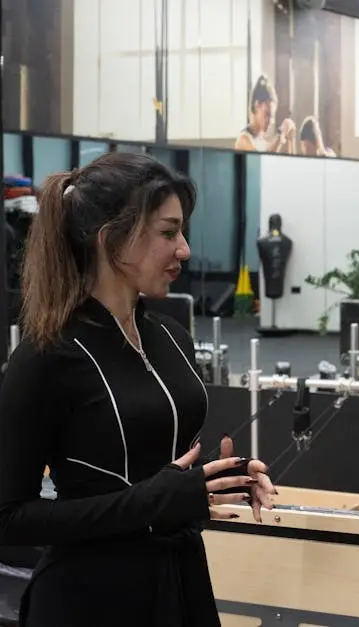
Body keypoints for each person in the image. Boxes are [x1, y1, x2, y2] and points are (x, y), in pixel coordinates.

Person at [0, 152, 277, 626]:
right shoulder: (47, 356)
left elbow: (155, 458)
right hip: (89, 599)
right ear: (111, 240)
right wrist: (153, 502)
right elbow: (8, 518)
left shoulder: (172, 338)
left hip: (179, 582)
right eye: (168, 233)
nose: (185, 250)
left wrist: (219, 478)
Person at [235, 74, 296, 154]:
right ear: (257, 105)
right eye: (267, 114)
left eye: (272, 117)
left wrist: (290, 139)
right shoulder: (243, 139)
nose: (270, 121)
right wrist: (281, 133)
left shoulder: (265, 144)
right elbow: (263, 159)